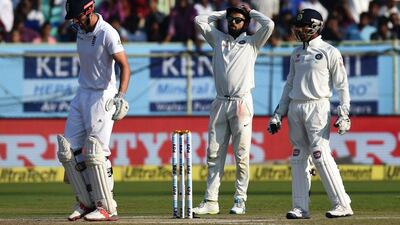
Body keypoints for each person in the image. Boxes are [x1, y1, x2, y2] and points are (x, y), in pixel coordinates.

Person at [268, 8, 353, 219]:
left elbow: (342, 86)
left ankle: (342, 204)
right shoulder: (296, 53)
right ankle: (300, 208)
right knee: (298, 156)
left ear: (315, 27)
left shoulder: (329, 51)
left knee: (320, 154)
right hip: (296, 107)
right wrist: (278, 113)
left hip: (318, 106)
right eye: (297, 27)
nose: (299, 30)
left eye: (304, 26)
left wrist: (344, 114)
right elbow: (289, 85)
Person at [193, 5, 274, 215]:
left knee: (241, 155)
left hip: (241, 104)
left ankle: (240, 199)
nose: (233, 23)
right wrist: (224, 12)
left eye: (238, 20)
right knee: (213, 154)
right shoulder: (218, 39)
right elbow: (199, 20)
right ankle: (211, 200)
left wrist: (249, 11)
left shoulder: (252, 43)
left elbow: (270, 24)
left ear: (246, 23)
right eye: (231, 20)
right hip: (220, 102)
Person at [57, 0, 130, 221]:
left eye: (77, 16)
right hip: (82, 94)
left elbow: (124, 66)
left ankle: (107, 206)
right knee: (68, 151)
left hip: (102, 96)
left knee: (96, 154)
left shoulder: (107, 32)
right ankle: (86, 202)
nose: (74, 21)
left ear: (89, 11)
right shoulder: (81, 30)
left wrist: (120, 96)